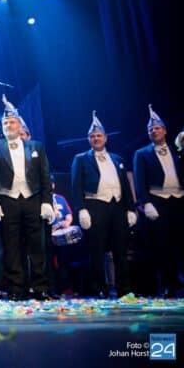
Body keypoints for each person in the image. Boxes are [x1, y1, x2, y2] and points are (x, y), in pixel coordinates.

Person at [0, 95, 55, 301]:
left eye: (12, 122)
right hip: (8, 201)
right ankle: (17, 289)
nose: (8, 125)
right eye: (5, 123)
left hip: (33, 200)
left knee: (37, 246)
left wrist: (47, 202)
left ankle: (40, 287)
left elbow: (44, 177)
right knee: (11, 247)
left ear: (19, 125)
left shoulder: (36, 147)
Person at [71, 111, 136, 298]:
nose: (96, 138)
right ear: (88, 140)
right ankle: (99, 288)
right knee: (96, 250)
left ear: (106, 138)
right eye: (92, 136)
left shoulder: (117, 159)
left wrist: (130, 209)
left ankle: (124, 289)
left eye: (99, 135)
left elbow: (125, 186)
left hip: (117, 206)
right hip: (95, 206)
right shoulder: (81, 159)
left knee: (120, 250)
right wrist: (81, 210)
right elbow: (76, 186)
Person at [133, 105, 184, 297]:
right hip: (158, 202)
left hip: (179, 201)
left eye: (157, 128)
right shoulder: (142, 153)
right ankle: (170, 283)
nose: (154, 131)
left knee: (181, 243)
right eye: (150, 129)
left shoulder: (177, 150)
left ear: (165, 130)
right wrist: (146, 203)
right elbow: (139, 181)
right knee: (162, 245)